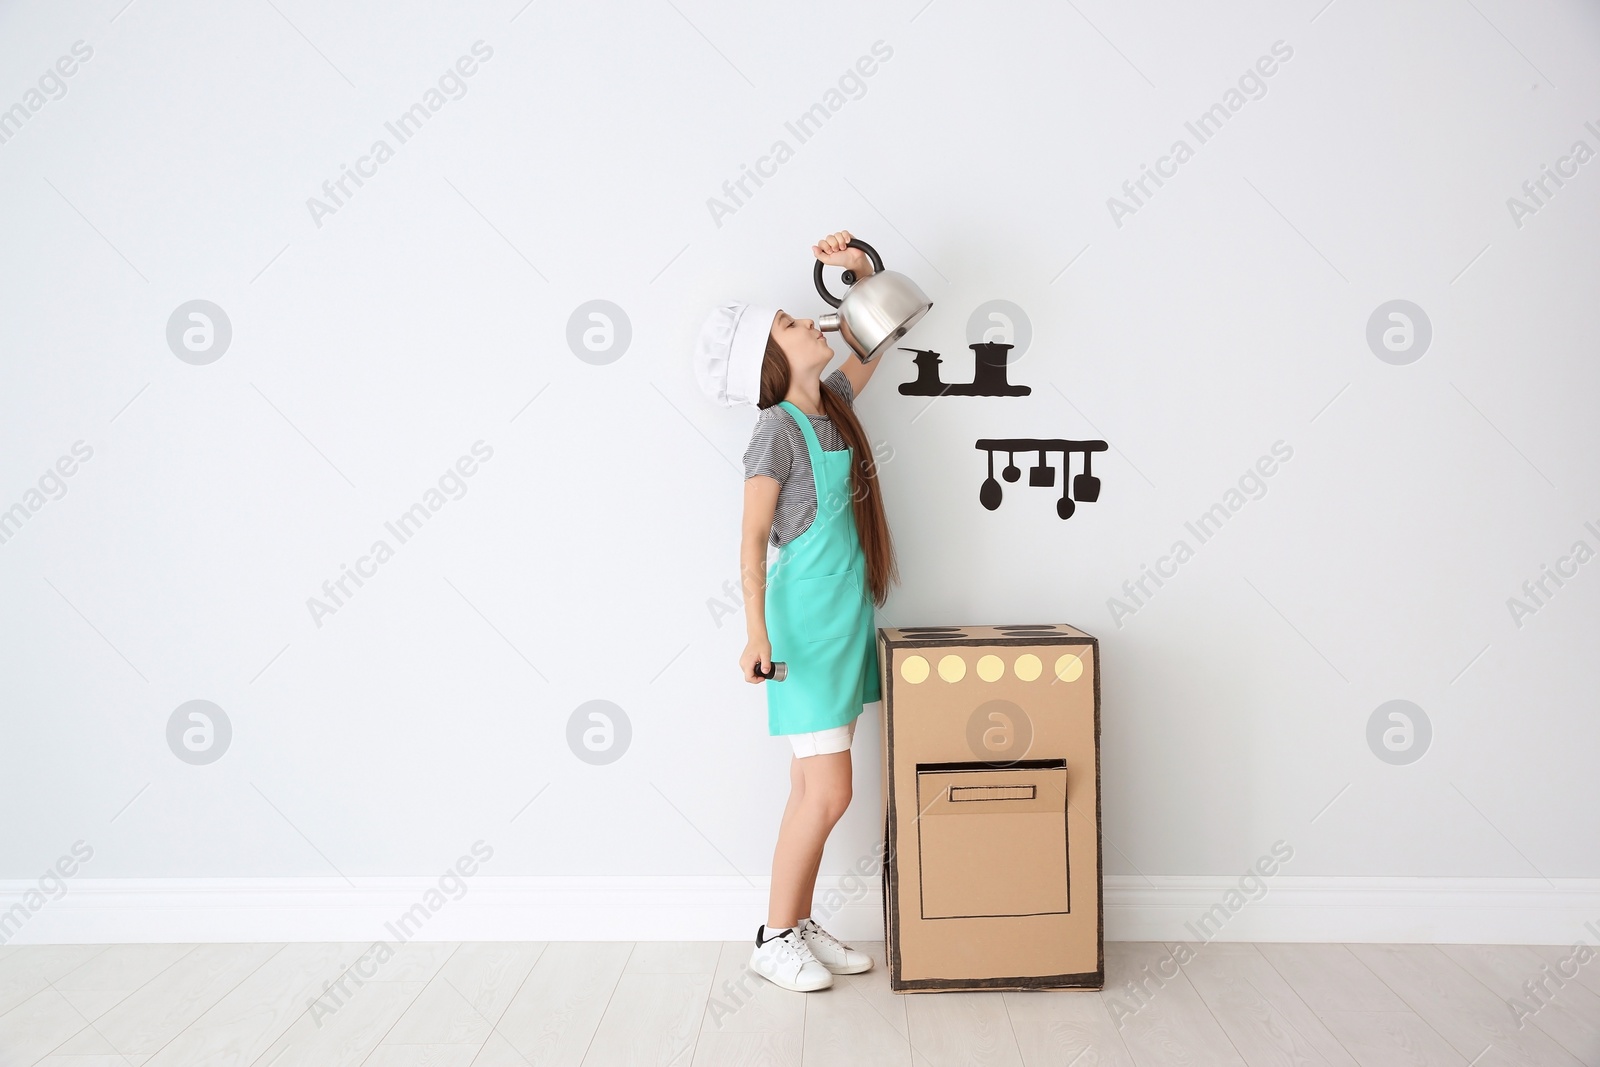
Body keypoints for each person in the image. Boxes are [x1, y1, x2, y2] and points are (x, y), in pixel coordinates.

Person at [692, 230, 900, 992]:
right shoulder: (774, 431)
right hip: (801, 632)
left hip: (841, 620)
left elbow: (877, 340)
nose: (807, 323)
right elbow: (750, 546)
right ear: (768, 362)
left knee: (814, 787)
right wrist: (756, 634)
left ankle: (796, 922)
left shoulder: (834, 405)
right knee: (829, 790)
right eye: (790, 323)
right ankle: (775, 933)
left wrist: (862, 275)